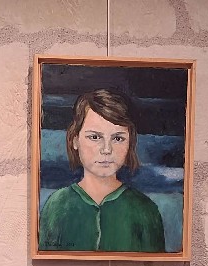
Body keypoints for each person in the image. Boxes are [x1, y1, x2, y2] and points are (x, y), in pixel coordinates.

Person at [39, 89, 165, 252]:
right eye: (95, 137)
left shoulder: (145, 210)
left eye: (118, 138)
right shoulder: (57, 206)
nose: (107, 149)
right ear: (75, 140)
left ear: (130, 143)